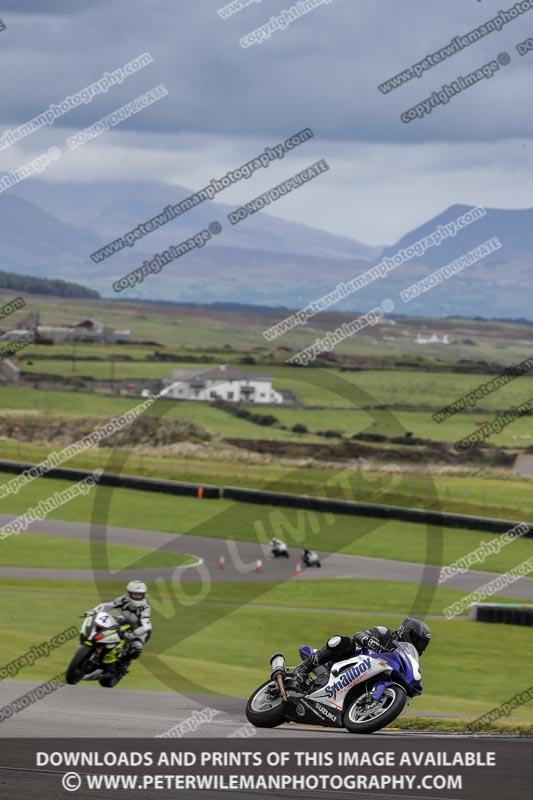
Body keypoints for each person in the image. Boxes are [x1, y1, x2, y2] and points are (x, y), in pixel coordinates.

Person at [293, 619, 431, 686]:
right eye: (417, 641)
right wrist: (368, 639)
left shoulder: (405, 658)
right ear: (406, 632)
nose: (419, 646)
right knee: (345, 642)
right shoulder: (385, 634)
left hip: (362, 679)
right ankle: (303, 668)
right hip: (345, 662)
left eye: (422, 644)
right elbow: (359, 634)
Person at [89, 580, 152, 664]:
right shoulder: (123, 599)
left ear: (144, 595)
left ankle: (121, 665)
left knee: (136, 649)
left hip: (140, 630)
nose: (137, 597)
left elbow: (146, 626)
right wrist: (93, 611)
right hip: (125, 621)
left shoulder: (145, 607)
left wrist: (132, 635)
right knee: (107, 624)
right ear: (129, 593)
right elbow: (108, 605)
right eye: (135, 594)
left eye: (140, 595)